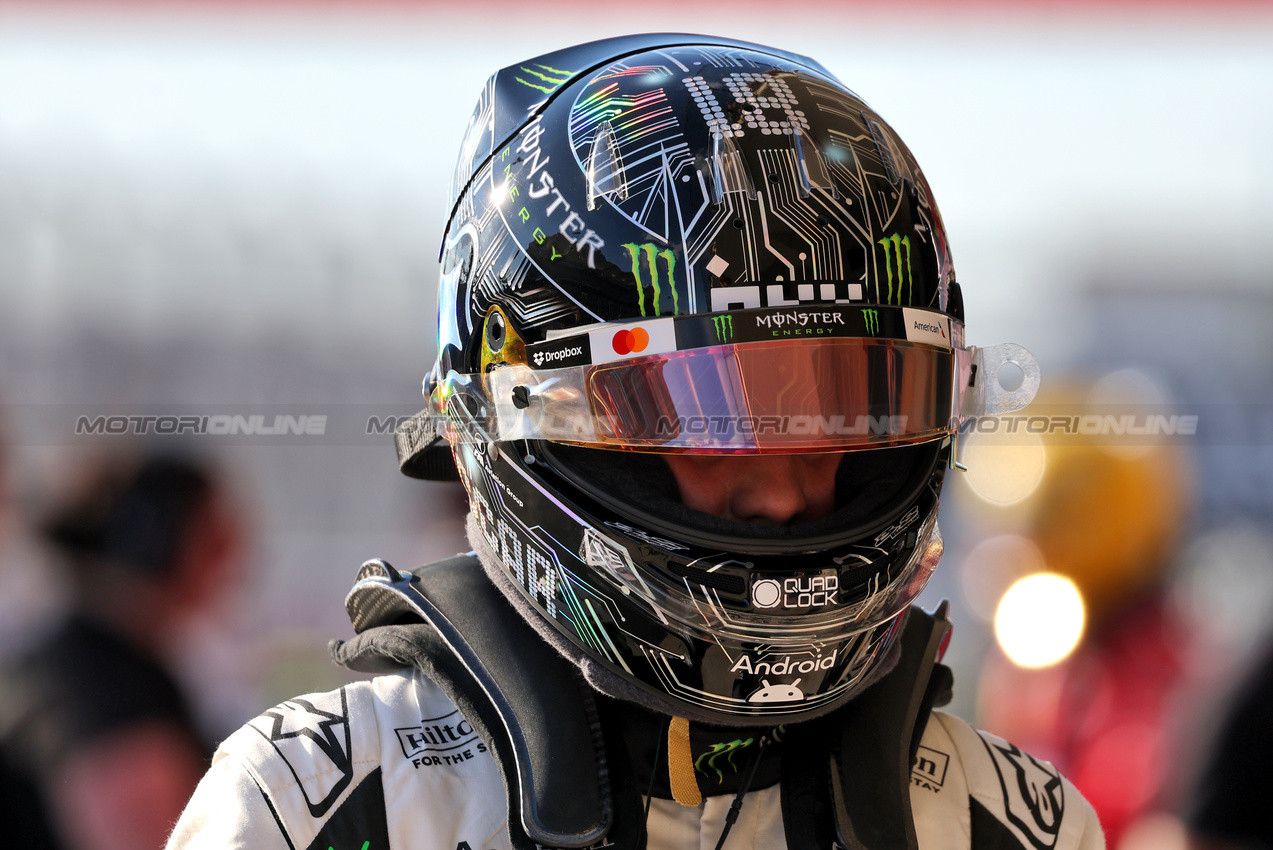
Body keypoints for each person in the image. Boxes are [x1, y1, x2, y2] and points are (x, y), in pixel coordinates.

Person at [166, 34, 1103, 850]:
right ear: (524, 416)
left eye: (846, 418)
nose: (780, 496)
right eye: (707, 421)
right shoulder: (319, 806)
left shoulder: (1012, 825)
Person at [0, 454, 241, 850]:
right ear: (154, 542)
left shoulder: (93, 660)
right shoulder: (101, 684)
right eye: (214, 535)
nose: (233, 554)